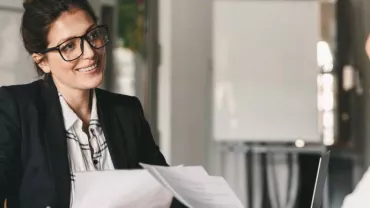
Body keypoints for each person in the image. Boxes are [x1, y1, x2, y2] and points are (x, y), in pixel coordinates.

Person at [0, 0, 184, 207]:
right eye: (69, 46)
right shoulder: (15, 108)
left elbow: (165, 193)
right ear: (42, 61)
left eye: (93, 35)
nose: (90, 53)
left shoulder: (126, 112)